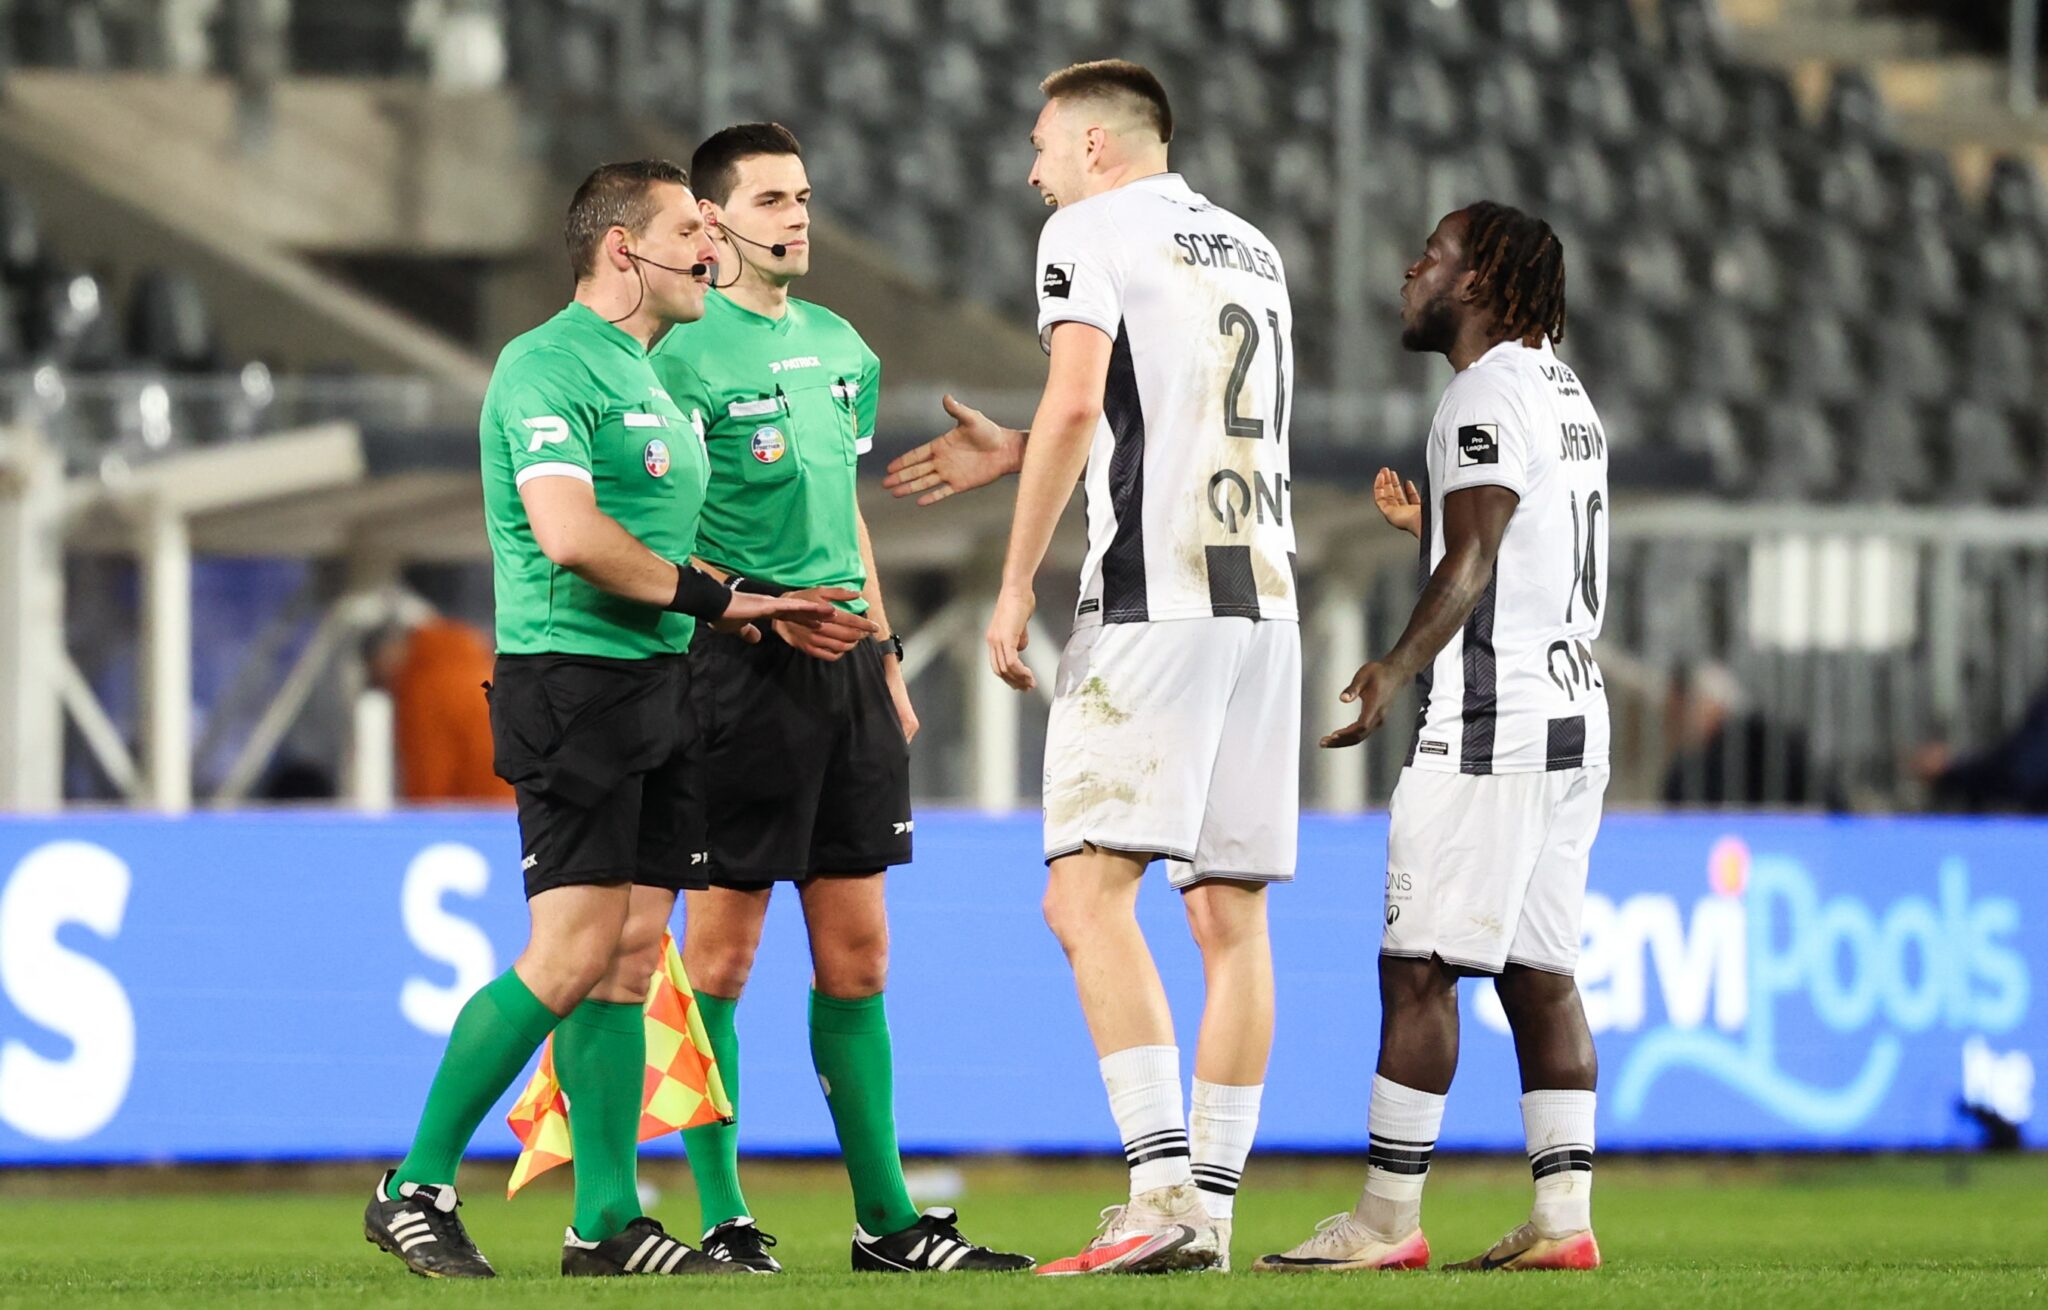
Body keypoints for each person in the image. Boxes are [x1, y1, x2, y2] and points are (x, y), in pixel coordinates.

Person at [361, 159, 842, 1281]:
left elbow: (658, 548)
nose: (712, 252)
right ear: (623, 248)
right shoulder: (544, 365)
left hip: (661, 681)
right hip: (570, 683)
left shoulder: (654, 377)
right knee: (570, 950)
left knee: (628, 962)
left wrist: (753, 599)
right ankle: (413, 1185)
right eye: (690, 232)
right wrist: (721, 601)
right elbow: (571, 535)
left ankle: (608, 1224)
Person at [889, 59, 1298, 1276]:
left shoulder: (1085, 228)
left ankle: (1157, 1192)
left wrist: (1016, 578)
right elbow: (1173, 416)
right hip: (1262, 603)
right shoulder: (1252, 248)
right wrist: (1018, 447)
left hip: (1149, 601)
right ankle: (1206, 1211)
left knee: (1082, 896)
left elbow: (1081, 404)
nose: (1032, 172)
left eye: (1040, 145)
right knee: (1228, 913)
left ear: (1094, 146)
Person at [647, 123, 1030, 1275]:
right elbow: (651, 531)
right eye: (771, 198)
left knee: (857, 957)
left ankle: (887, 1221)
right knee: (716, 961)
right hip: (734, 670)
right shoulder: (676, 354)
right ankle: (722, 1216)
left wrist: (886, 658)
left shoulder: (840, 346)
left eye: (804, 196)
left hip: (846, 670)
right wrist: (745, 615)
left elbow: (845, 514)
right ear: (712, 223)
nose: (797, 215)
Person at [1255, 203, 1608, 1275]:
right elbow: (1518, 541)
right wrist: (1434, 531)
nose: (1410, 272)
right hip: (1572, 713)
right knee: (1539, 973)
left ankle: (1382, 1221)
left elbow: (1475, 563)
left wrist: (1392, 666)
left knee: (1418, 970)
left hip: (1490, 722)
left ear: (1481, 282)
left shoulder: (1482, 392)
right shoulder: (1564, 392)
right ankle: (1563, 1218)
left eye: (1432, 256)